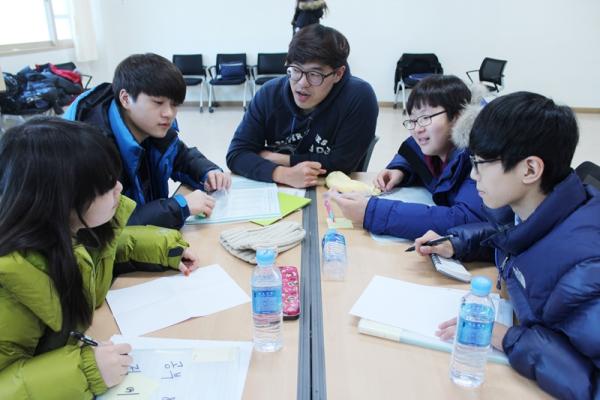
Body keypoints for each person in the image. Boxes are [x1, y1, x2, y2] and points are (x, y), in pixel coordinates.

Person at [413, 92, 600, 400]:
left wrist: (509, 338)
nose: (473, 175)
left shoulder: (586, 269)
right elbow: (519, 240)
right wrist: (458, 243)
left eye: (480, 164)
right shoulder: (539, 208)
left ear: (530, 170)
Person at [0, 118, 200, 399]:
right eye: (106, 186)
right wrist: (86, 371)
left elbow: (104, 250)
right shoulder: (11, 282)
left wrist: (162, 247)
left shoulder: (67, 233)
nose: (119, 188)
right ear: (64, 199)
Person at [64, 53, 230, 230]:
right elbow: (108, 226)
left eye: (174, 104)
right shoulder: (91, 151)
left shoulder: (151, 126)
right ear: (125, 99)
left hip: (150, 237)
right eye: (158, 102)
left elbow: (180, 156)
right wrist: (180, 206)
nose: (169, 113)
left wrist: (208, 171)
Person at [329, 75, 486, 240]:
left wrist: (371, 211)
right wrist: (400, 169)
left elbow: (466, 219)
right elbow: (413, 151)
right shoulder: (437, 147)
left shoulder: (478, 160)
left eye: (425, 118)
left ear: (458, 117)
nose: (417, 129)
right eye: (412, 120)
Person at [226, 24, 378, 189]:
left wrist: (275, 158)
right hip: (282, 187)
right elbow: (236, 154)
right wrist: (282, 174)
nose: (302, 83)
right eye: (296, 70)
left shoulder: (359, 96)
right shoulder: (269, 93)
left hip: (332, 190)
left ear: (338, 74)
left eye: (315, 74)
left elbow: (343, 163)